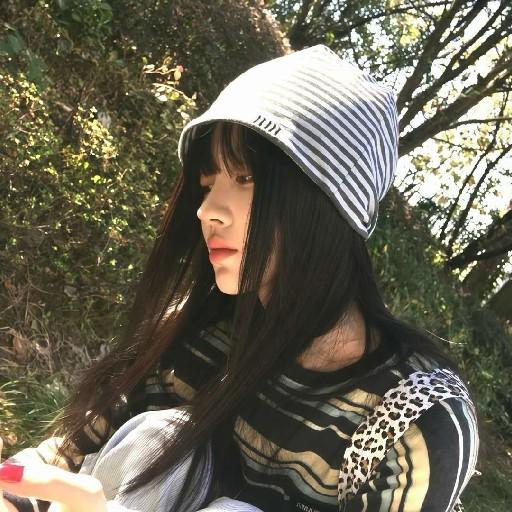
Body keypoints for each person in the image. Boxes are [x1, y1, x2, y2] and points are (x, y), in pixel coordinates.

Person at [0, 44, 479, 512]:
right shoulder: (197, 334)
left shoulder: (413, 422)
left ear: (330, 205)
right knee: (158, 443)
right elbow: (65, 460)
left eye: (246, 178)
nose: (208, 210)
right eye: (209, 183)